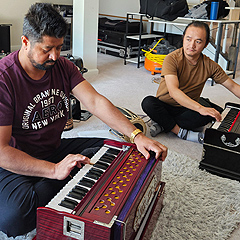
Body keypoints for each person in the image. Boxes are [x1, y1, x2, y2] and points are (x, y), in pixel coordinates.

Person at [0, 3, 167, 237]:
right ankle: (70, 176)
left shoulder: (62, 66)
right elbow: (2, 151)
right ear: (25, 42)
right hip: (15, 162)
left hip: (52, 148)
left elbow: (95, 102)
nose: (55, 56)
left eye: (59, 48)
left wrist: (135, 135)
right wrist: (54, 170)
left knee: (119, 150)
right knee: (14, 217)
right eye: (47, 49)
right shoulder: (4, 80)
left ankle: (71, 176)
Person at [142, 21, 240, 144]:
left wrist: (202, 110)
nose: (191, 45)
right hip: (165, 105)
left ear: (206, 44)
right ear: (183, 39)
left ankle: (163, 124)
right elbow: (173, 91)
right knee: (148, 103)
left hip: (187, 106)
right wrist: (200, 108)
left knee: (214, 114)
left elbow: (233, 86)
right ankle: (180, 132)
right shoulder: (171, 59)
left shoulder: (210, 65)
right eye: (188, 39)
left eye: (198, 41)